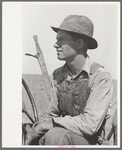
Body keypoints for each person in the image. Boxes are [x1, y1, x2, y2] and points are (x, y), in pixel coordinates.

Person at [25, 15, 113, 145]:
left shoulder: (100, 77)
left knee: (55, 135)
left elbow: (90, 125)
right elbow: (51, 114)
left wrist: (50, 125)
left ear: (79, 43)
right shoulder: (58, 75)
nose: (55, 45)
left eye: (61, 39)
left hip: (92, 143)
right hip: (62, 137)